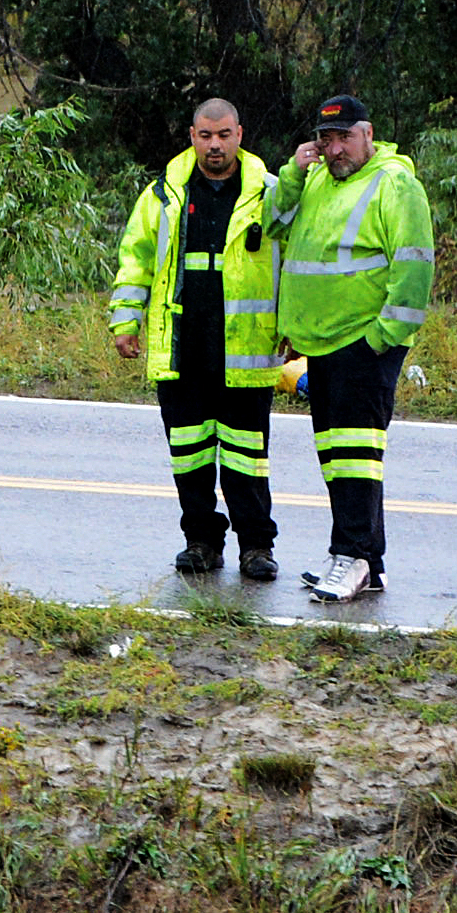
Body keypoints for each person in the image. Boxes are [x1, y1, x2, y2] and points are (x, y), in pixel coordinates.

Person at [268, 93, 436, 602]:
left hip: (364, 343)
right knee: (337, 455)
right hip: (321, 342)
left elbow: (414, 268)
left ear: (367, 134)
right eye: (326, 139)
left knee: (357, 457)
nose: (335, 148)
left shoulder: (395, 183)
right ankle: (368, 561)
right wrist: (294, 173)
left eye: (343, 137)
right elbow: (272, 225)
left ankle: (352, 555)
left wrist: (380, 339)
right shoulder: (316, 178)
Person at [107, 98, 283, 579]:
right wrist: (126, 321)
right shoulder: (165, 194)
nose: (215, 146)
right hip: (182, 347)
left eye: (223, 135)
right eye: (206, 136)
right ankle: (201, 542)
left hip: (244, 350)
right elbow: (135, 258)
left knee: (248, 459)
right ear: (192, 136)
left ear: (240, 135)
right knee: (190, 456)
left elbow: (293, 262)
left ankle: (256, 548)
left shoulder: (270, 193)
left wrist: (294, 326)